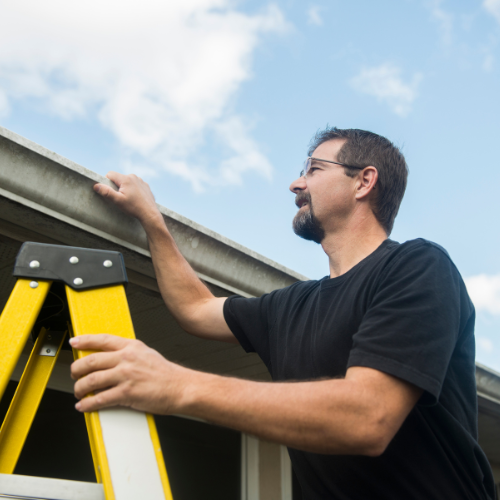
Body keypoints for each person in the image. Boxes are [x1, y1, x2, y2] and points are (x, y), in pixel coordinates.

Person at [70, 127, 495, 499]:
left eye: (313, 169)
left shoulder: (418, 266)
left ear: (364, 181)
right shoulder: (291, 306)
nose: (296, 183)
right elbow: (196, 309)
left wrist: (175, 385)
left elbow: (369, 416)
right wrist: (152, 220)